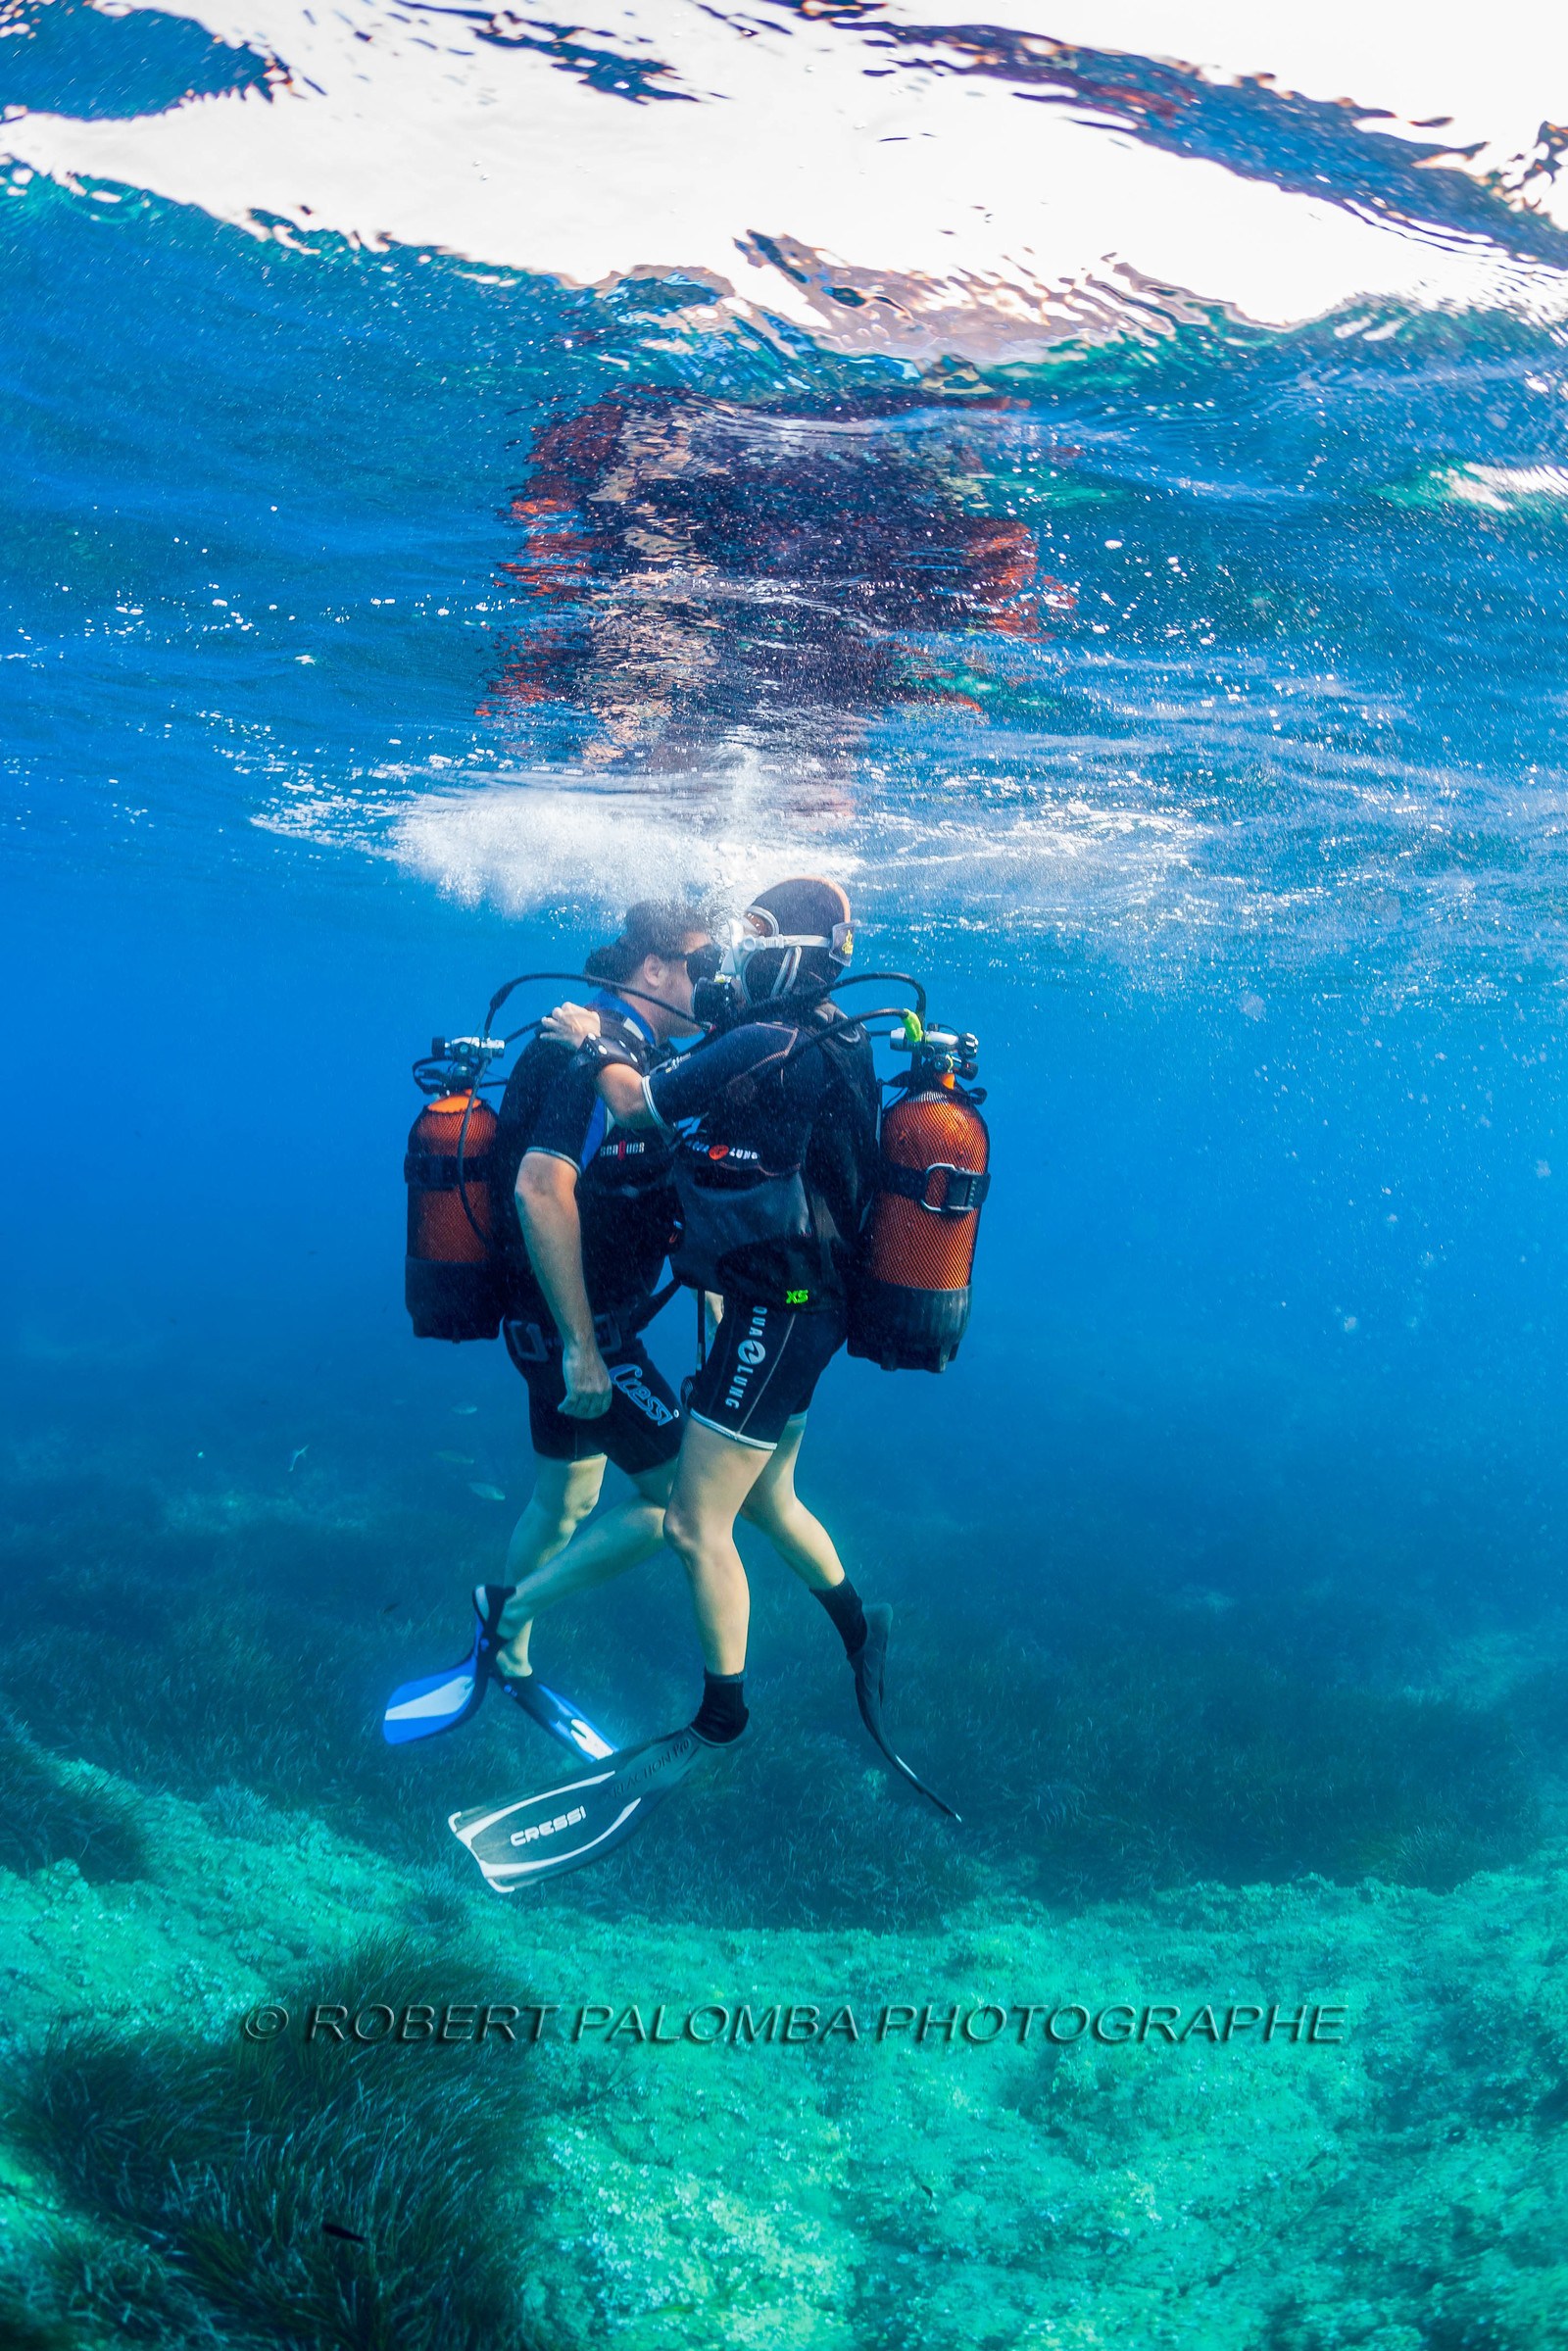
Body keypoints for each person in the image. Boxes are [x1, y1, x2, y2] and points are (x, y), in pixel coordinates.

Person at [550, 877, 886, 1751]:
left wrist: (592, 1041)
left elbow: (634, 1102)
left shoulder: (769, 1041)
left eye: (757, 936)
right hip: (813, 1309)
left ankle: (720, 1720)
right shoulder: (837, 1034)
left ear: (795, 950)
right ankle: (861, 1630)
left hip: (773, 1317)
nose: (739, 957)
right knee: (772, 1495)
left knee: (698, 1523)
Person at [382, 901, 711, 1759]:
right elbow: (538, 1188)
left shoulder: (620, 1047)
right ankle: (509, 1612)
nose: (712, 987)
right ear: (652, 969)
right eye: (701, 969)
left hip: (553, 1323)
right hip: (579, 1330)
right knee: (683, 1502)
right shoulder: (586, 1051)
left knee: (563, 1499)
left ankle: (510, 1654)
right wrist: (583, 1347)